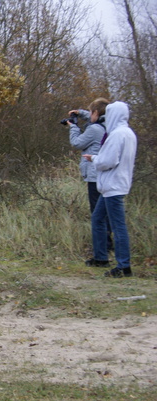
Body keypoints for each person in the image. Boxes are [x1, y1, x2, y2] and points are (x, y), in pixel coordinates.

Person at [83, 101, 137, 277]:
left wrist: (94, 159)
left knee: (117, 226)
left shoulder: (116, 135)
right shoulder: (128, 133)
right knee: (98, 219)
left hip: (113, 186)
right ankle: (101, 257)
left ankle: (123, 266)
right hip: (113, 185)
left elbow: (108, 161)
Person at [65, 98, 113, 252]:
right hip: (107, 173)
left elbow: (77, 143)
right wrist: (81, 113)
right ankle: (110, 243)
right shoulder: (110, 125)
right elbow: (96, 117)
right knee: (107, 209)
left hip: (94, 174)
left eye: (91, 112)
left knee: (97, 212)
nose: (89, 114)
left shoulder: (94, 130)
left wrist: (73, 127)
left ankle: (103, 245)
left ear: (96, 113)